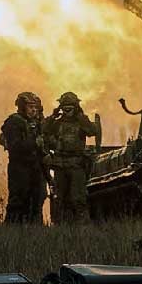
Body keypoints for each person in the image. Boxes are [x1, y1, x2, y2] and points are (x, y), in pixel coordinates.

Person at [42, 92, 99, 224]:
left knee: (78, 199)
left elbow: (93, 131)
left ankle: (81, 227)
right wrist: (53, 116)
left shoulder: (81, 122)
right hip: (60, 166)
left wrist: (81, 117)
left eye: (70, 107)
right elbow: (43, 130)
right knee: (60, 199)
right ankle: (61, 226)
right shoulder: (57, 123)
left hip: (76, 166)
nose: (67, 111)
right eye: (65, 107)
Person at [0, 92, 47, 224]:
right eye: (30, 107)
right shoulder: (13, 123)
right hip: (20, 168)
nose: (34, 110)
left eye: (35, 107)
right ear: (22, 107)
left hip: (36, 167)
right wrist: (34, 143)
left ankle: (35, 230)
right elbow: (15, 146)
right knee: (18, 201)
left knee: (38, 199)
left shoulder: (37, 123)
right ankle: (13, 230)